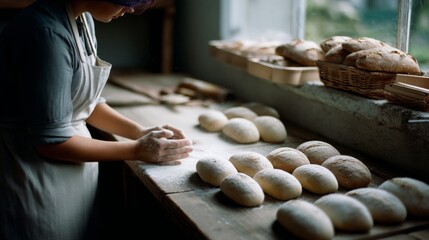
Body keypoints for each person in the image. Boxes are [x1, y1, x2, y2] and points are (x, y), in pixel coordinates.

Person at [0, 0, 193, 239]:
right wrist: (138, 149)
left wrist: (140, 131)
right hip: (32, 179)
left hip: (70, 178)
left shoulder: (83, 18)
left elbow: (83, 103)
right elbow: (51, 142)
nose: (131, 9)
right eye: (127, 0)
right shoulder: (45, 34)